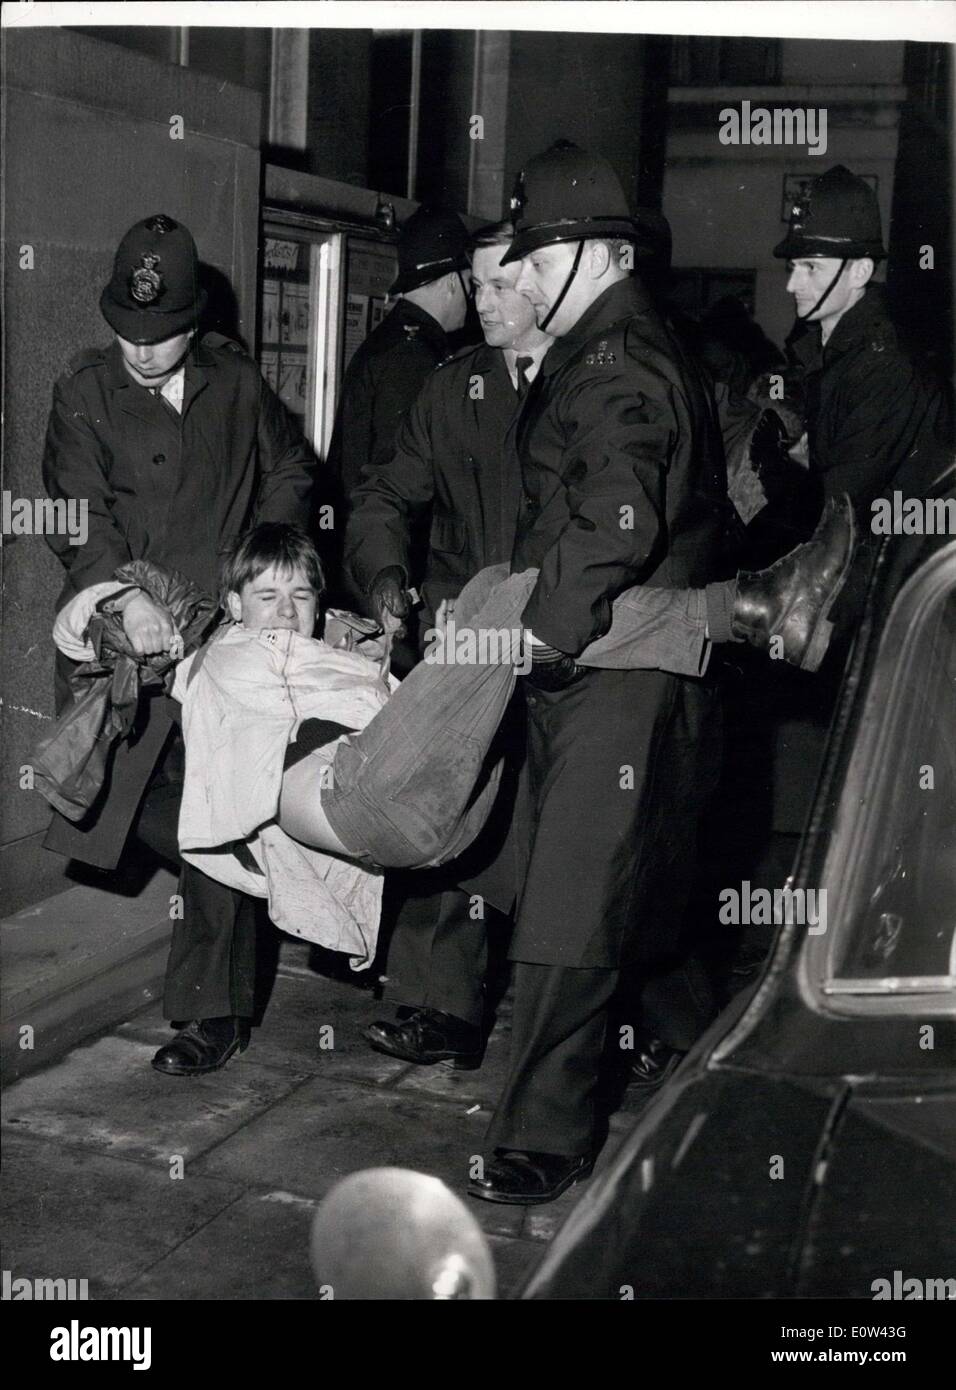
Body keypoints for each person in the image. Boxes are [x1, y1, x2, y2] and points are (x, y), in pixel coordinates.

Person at [463, 142, 855, 1208]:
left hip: (612, 681)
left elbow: (613, 521)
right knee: (636, 898)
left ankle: (542, 1132)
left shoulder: (619, 357)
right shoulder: (618, 338)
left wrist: (536, 635)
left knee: (571, 907)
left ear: (591, 251)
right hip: (622, 671)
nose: (521, 278)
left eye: (534, 258)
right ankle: (737, 1076)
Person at [40, 212, 317, 1077]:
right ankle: (266, 858)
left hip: (222, 647)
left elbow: (292, 470)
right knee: (131, 810)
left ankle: (210, 1013)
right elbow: (77, 512)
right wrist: (124, 590)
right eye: (127, 330)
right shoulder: (82, 391)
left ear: (194, 323)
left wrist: (263, 574)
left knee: (214, 805)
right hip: (119, 648)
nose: (143, 349)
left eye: (161, 335)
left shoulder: (235, 384)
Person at [344, 220, 552, 1068]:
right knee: (449, 811)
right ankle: (442, 1008)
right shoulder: (451, 387)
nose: (485, 302)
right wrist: (388, 576)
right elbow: (383, 495)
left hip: (560, 638)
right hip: (462, 636)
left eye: (504, 285)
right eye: (478, 283)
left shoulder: (593, 383)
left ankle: (652, 1019)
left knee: (569, 841)